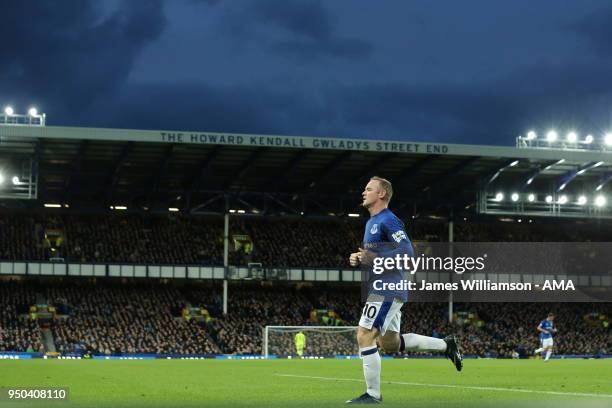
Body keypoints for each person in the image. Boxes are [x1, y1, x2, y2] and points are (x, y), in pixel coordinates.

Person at [346, 176, 463, 404]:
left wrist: (374, 257)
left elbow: (408, 253)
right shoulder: (371, 222)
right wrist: (359, 257)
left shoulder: (388, 220)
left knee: (364, 335)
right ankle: (446, 345)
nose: (363, 192)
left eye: (368, 189)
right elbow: (374, 258)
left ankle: (372, 394)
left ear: (381, 194)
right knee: (389, 342)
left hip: (387, 288)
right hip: (384, 286)